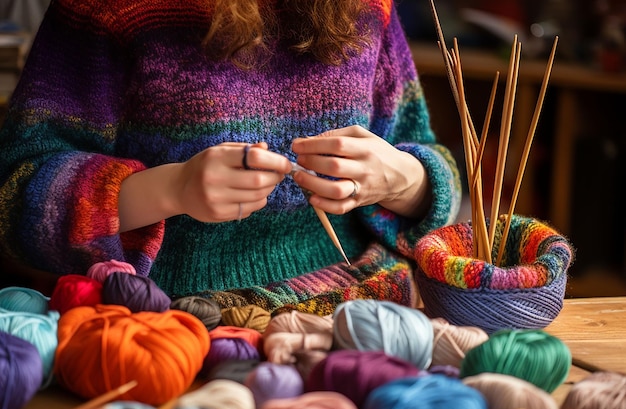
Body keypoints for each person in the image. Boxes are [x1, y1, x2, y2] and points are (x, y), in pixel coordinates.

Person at [0, 0, 461, 316]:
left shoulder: (369, 7)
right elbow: (15, 197)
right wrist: (172, 189)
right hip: (178, 328)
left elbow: (439, 174)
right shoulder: (106, 8)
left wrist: (405, 180)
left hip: (366, 312)